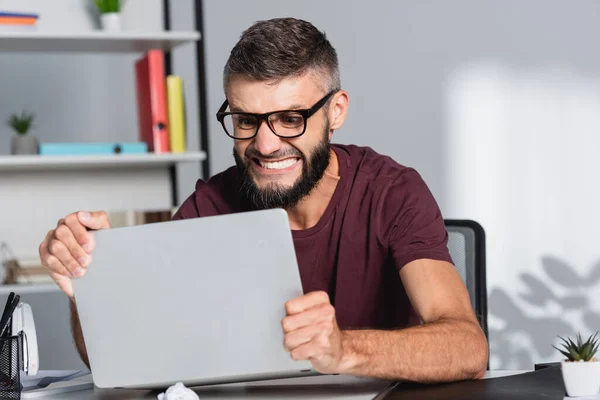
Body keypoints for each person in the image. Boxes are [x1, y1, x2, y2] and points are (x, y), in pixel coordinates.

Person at [38, 17, 488, 383]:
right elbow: (125, 363)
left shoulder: (392, 192)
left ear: (336, 112)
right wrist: (91, 290)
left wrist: (343, 349)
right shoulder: (208, 206)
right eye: (246, 120)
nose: (266, 144)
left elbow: (467, 347)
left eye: (290, 119)